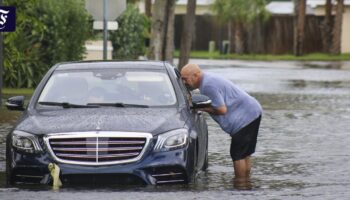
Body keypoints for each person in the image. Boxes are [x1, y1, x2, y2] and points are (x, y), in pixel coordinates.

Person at [180, 63, 262, 179]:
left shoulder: (208, 85)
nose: (184, 82)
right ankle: (246, 185)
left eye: (185, 79)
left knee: (237, 155)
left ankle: (240, 185)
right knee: (245, 154)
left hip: (246, 117)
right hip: (253, 112)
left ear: (196, 75)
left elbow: (221, 109)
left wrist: (200, 107)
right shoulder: (208, 80)